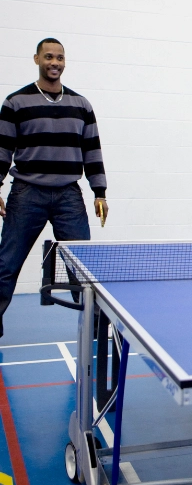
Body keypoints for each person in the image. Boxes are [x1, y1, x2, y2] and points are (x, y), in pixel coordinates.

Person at [0, 38, 108, 338]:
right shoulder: (15, 103)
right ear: (36, 59)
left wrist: (99, 191)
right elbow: (3, 149)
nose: (55, 63)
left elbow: (92, 151)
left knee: (84, 270)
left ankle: (96, 329)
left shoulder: (81, 105)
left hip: (68, 196)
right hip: (26, 194)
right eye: (49, 57)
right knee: (6, 265)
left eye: (60, 58)